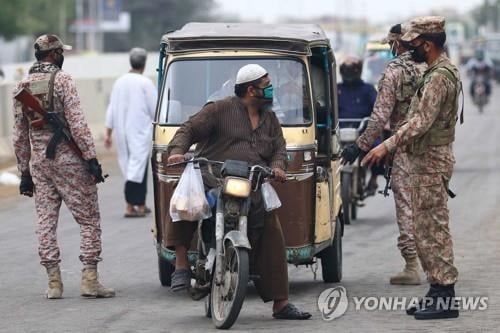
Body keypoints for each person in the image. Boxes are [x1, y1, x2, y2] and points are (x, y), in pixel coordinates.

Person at [166, 64, 311, 320]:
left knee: (272, 229)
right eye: (267, 85)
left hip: (252, 184)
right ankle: (180, 264)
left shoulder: (270, 119)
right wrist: (178, 151)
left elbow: (279, 148)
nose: (271, 90)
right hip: (213, 179)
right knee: (185, 200)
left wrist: (278, 167)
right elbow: (188, 129)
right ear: (251, 90)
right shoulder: (219, 109)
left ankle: (281, 302)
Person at [362, 17, 461, 320]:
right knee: (422, 228)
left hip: (431, 161)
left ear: (428, 45)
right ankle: (436, 290)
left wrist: (385, 145)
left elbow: (420, 123)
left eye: (414, 43)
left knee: (434, 229)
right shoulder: (433, 72)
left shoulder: (439, 77)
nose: (409, 48)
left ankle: (445, 296)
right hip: (424, 160)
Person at [12, 34, 114, 299]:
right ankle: (90, 280)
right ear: (55, 54)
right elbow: (78, 123)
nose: (62, 56)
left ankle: (54, 283)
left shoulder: (21, 85)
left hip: (40, 165)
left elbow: (19, 135)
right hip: (69, 161)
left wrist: (24, 172)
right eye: (61, 52)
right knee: (89, 219)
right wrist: (91, 159)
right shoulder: (63, 80)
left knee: (46, 220)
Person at [342, 24, 425, 285]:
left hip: (406, 149)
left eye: (392, 43)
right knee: (432, 209)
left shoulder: (395, 71)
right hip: (436, 150)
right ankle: (440, 265)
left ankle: (412, 266)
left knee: (406, 209)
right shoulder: (437, 67)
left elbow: (379, 117)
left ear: (398, 44)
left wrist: (361, 145)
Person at [104, 48, 157, 217]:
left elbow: (111, 109)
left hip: (122, 132)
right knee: (138, 168)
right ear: (144, 63)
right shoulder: (145, 83)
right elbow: (155, 109)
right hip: (139, 131)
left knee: (131, 167)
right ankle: (131, 206)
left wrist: (108, 133)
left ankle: (139, 204)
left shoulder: (119, 82)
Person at [337, 56, 380, 193]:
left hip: (363, 132)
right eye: (346, 69)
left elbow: (379, 109)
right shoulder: (336, 89)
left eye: (352, 69)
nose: (349, 73)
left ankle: (373, 178)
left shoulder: (368, 90)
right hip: (340, 132)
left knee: (379, 149)